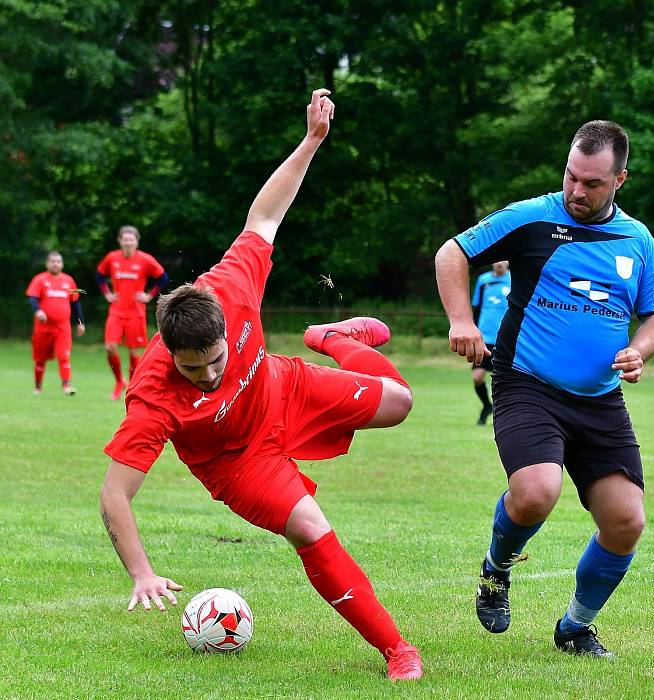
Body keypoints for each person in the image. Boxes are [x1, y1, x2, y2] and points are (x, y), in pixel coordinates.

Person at [99, 90, 422, 682]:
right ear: (170, 352)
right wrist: (142, 572)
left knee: (401, 403)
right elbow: (115, 495)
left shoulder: (232, 283)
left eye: (215, 360)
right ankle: (397, 650)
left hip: (283, 389)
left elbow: (264, 216)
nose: (209, 375)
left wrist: (312, 140)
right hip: (237, 463)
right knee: (310, 527)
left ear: (225, 324)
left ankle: (330, 337)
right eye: (193, 369)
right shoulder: (152, 393)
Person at [435, 120, 654, 657]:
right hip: (527, 384)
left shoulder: (636, 240)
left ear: (620, 180)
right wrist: (462, 322)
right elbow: (451, 253)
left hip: (600, 399)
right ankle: (496, 570)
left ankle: (575, 627)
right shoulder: (531, 218)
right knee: (537, 492)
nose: (576, 191)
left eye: (591, 183)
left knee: (625, 521)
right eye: (571, 177)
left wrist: (642, 349)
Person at [96, 225, 169, 400]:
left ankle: (132, 388)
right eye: (125, 239)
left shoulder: (145, 259)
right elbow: (99, 275)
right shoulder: (112, 258)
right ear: (120, 241)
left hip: (136, 313)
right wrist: (107, 293)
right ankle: (119, 382)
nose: (128, 242)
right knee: (110, 347)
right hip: (116, 311)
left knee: (134, 353)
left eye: (131, 239)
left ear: (137, 241)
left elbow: (163, 277)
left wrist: (149, 295)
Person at [25, 251, 86, 395]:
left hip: (62, 328)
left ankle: (66, 386)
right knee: (40, 359)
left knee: (64, 356)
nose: (56, 264)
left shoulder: (68, 280)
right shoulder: (40, 279)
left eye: (58, 261)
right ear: (47, 264)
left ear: (62, 264)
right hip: (43, 328)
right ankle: (38, 387)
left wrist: (80, 322)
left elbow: (75, 302)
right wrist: (38, 311)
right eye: (53, 261)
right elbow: (32, 297)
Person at [471, 261, 510, 425]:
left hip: (506, 338)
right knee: (477, 377)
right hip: (484, 337)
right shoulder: (483, 280)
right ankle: (487, 406)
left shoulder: (515, 280)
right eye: (497, 260)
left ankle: (504, 416)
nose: (499, 264)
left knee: (502, 380)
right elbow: (476, 307)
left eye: (503, 260)